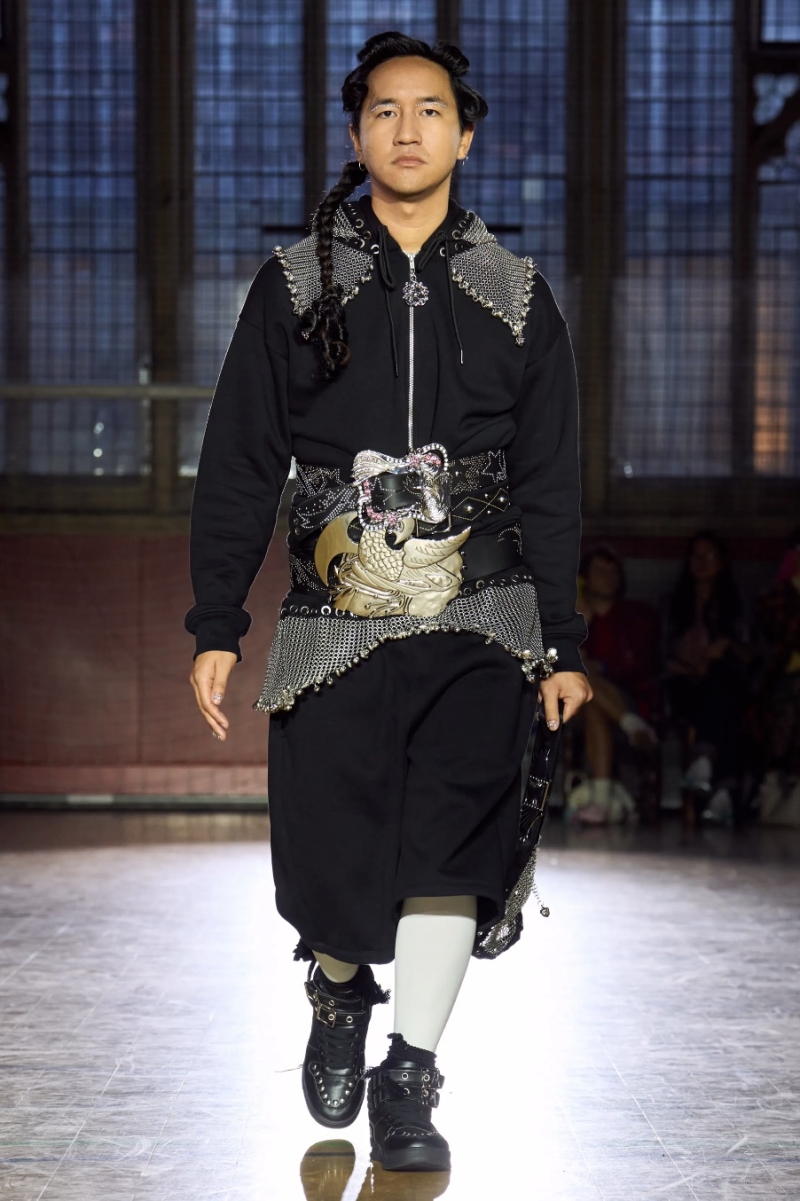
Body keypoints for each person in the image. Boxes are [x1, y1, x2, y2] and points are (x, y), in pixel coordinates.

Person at [184, 32, 590, 1173]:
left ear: (467, 134)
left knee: (452, 846)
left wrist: (563, 639)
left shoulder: (517, 296)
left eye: (430, 111)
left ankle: (409, 1075)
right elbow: (239, 459)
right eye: (384, 111)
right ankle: (336, 985)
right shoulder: (294, 284)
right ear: (356, 134)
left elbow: (552, 477)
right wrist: (217, 621)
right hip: (334, 624)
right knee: (328, 852)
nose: (407, 130)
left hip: (484, 615)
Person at [568, 546, 660, 824]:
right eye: (600, 571)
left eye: (613, 571)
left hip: (626, 696)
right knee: (583, 684)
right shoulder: (572, 617)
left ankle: (601, 801)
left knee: (591, 697)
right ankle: (633, 727)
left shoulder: (637, 615)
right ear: (584, 578)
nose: (609, 577)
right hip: (574, 707)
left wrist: (603, 667)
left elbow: (642, 663)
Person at [666, 530, 749, 819]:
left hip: (724, 685)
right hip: (682, 686)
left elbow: (752, 656)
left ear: (722, 562)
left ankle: (705, 763)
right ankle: (723, 791)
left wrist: (726, 646)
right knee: (720, 700)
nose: (702, 562)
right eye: (696, 555)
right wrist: (691, 668)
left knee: (724, 693)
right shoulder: (674, 603)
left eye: (709, 555)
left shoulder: (735, 604)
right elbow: (661, 658)